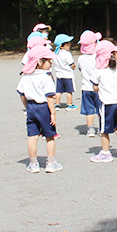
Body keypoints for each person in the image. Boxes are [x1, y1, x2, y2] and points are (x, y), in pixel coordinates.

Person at [17, 45, 61, 173]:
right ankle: (51, 163)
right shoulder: (45, 77)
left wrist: (27, 107)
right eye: (49, 61)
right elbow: (50, 97)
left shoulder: (25, 77)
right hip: (44, 108)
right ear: (40, 62)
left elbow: (21, 94)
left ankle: (33, 163)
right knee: (50, 136)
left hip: (31, 107)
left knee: (32, 136)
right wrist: (53, 113)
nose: (51, 63)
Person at [90, 40, 117, 162]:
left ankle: (105, 153)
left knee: (104, 130)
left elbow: (95, 86)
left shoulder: (98, 70)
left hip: (107, 104)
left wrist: (99, 90)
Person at [77, 30, 102, 137]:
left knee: (89, 110)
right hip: (98, 87)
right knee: (101, 109)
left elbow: (80, 69)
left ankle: (90, 129)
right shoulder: (97, 57)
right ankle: (102, 128)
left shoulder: (81, 58)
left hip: (86, 88)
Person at [52, 34, 77, 110]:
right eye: (67, 43)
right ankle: (69, 104)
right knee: (69, 91)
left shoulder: (55, 53)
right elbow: (72, 64)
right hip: (68, 75)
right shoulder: (67, 54)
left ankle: (57, 104)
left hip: (59, 75)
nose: (69, 44)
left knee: (59, 91)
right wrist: (73, 67)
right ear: (61, 46)